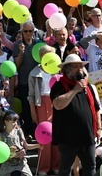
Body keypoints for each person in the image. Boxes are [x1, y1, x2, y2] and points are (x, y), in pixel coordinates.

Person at [50, 54, 102, 176]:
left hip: (87, 135)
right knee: (65, 169)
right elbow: (58, 104)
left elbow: (96, 108)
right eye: (76, 66)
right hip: (68, 137)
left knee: (90, 167)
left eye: (81, 66)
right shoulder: (59, 86)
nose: (80, 69)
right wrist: (74, 90)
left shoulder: (87, 86)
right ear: (67, 69)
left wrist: (99, 128)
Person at [28, 45, 60, 175]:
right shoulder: (34, 73)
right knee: (45, 135)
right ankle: (43, 167)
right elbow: (30, 95)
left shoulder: (57, 70)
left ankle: (56, 165)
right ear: (41, 57)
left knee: (57, 134)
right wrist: (33, 111)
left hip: (56, 102)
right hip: (42, 103)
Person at [13, 20, 44, 138]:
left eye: (30, 31)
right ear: (22, 31)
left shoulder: (39, 44)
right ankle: (28, 133)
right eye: (25, 31)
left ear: (34, 31)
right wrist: (21, 53)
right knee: (26, 108)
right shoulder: (17, 44)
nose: (28, 33)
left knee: (38, 107)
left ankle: (39, 132)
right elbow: (16, 65)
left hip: (38, 81)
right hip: (24, 81)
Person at [0, 111, 43, 176]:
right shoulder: (1, 135)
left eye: (16, 121)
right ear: (6, 122)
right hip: (8, 163)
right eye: (13, 122)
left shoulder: (19, 131)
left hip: (21, 163)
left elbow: (26, 145)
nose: (15, 124)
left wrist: (38, 145)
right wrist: (9, 152)